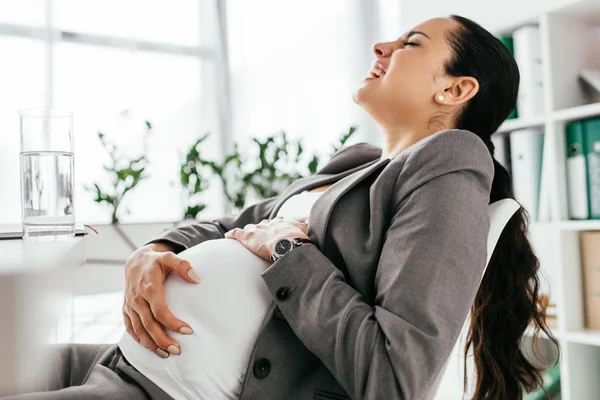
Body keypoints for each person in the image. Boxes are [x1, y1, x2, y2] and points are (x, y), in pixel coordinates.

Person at [2, 14, 559, 400]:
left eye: (411, 43)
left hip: (157, 390)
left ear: (455, 91)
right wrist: (157, 248)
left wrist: (286, 249)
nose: (381, 48)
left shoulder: (450, 164)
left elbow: (396, 379)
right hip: (120, 359)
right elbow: (229, 224)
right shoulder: (356, 164)